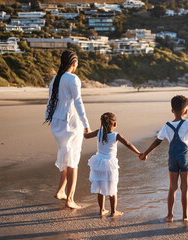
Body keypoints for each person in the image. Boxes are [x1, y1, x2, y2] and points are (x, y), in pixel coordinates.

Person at [45, 50, 91, 209]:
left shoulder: (55, 79)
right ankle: (70, 199)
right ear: (74, 63)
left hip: (57, 124)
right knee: (73, 161)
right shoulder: (72, 79)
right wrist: (86, 124)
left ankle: (61, 191)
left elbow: (50, 101)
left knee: (66, 155)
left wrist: (48, 118)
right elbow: (78, 102)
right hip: (70, 123)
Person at [84, 112, 141, 217]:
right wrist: (139, 153)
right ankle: (113, 211)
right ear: (114, 124)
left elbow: (86, 136)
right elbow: (128, 144)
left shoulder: (98, 132)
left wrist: (85, 129)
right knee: (112, 188)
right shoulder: (116, 135)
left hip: (98, 163)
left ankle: (101, 210)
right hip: (110, 165)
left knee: (100, 189)